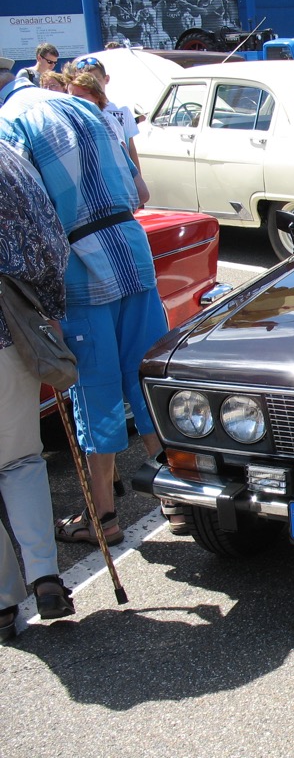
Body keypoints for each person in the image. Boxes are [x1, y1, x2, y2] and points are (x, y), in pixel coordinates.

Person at [0, 68, 170, 543]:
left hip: (80, 267)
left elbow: (23, 215)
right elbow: (140, 193)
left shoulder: (10, 124)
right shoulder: (82, 108)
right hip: (132, 253)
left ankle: (104, 518)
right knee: (145, 379)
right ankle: (176, 498)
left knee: (94, 392)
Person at [0, 119, 77, 644]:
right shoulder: (7, 159)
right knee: (19, 460)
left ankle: (4, 602)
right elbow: (47, 243)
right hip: (5, 332)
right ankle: (45, 576)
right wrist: (47, 306)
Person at [69, 56, 142, 171]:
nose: (91, 85)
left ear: (106, 79)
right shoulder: (73, 112)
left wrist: (137, 179)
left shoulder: (121, 110)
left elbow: (130, 147)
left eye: (95, 79)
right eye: (84, 81)